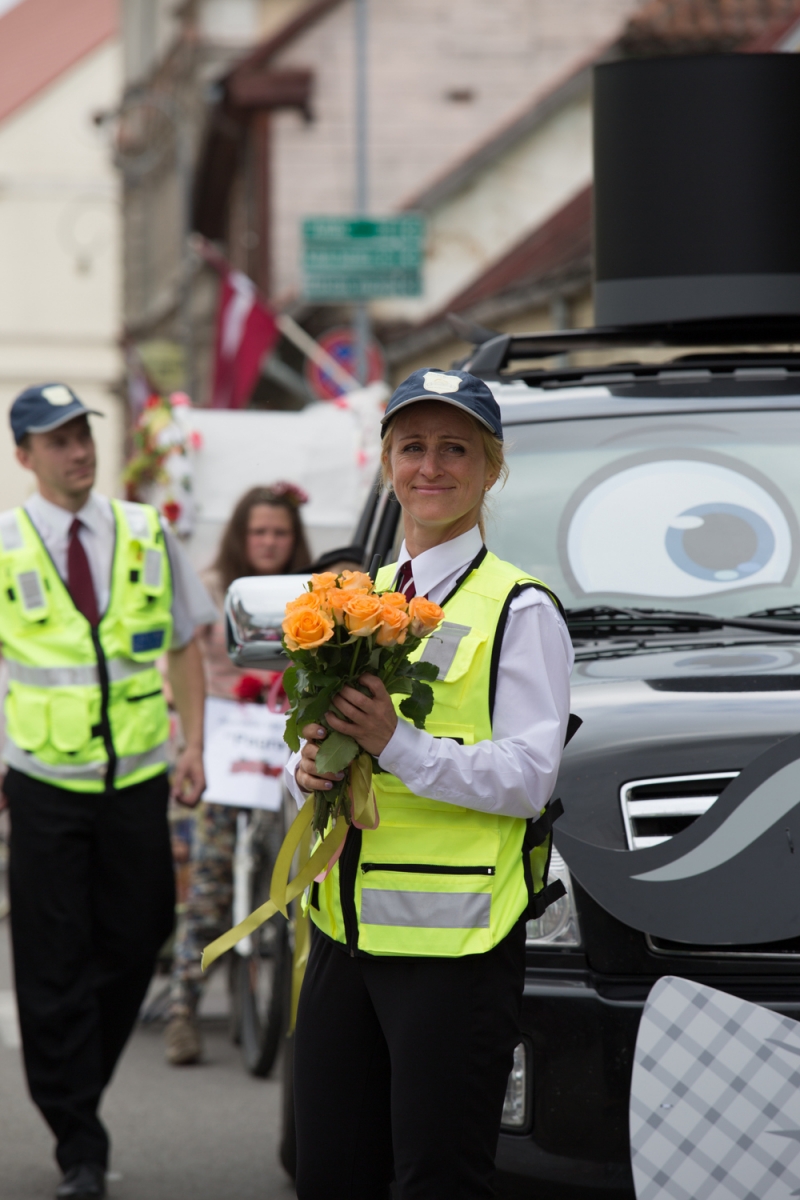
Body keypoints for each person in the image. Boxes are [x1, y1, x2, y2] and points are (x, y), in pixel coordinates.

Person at [286, 367, 574, 1200]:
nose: (432, 467)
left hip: (455, 951)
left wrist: (398, 744)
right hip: (345, 934)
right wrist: (307, 768)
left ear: (491, 469)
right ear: (387, 465)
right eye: (413, 447)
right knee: (331, 1177)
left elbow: (529, 777)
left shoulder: (520, 610)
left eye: (456, 449)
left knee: (436, 1181)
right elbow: (323, 747)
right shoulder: (355, 599)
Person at [0, 384, 214, 1200]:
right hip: (44, 780)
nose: (78, 451)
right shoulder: (6, 543)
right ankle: (78, 1140)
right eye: (57, 441)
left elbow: (189, 641)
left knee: (144, 928)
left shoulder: (143, 531)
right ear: (25, 457)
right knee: (51, 960)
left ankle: (72, 1073)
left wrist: (193, 741)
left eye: (83, 434)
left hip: (136, 775)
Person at [165, 483, 311, 1065]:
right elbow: (183, 670)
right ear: (240, 537)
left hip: (288, 749)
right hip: (226, 749)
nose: (270, 543)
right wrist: (192, 746)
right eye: (259, 532)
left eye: (279, 533)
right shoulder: (208, 590)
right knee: (210, 879)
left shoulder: (309, 593)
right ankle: (183, 1008)